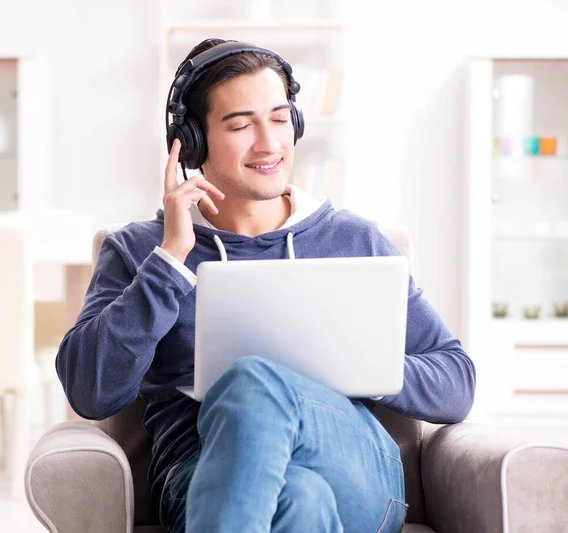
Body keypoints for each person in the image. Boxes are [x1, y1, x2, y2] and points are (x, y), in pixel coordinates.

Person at [56, 38, 476, 533]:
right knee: (299, 497)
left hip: (353, 467)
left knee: (254, 380)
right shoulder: (139, 250)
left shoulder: (355, 239)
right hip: (198, 474)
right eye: (240, 125)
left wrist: (357, 361)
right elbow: (90, 392)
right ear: (192, 142)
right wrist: (169, 259)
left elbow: (457, 382)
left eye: (279, 119)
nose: (269, 143)